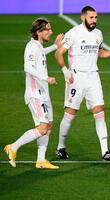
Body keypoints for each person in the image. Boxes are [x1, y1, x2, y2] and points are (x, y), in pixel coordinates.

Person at [55, 6, 110, 161]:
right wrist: (65, 71)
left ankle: (105, 151)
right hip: (76, 78)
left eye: (96, 17)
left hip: (93, 77)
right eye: (91, 17)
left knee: (99, 111)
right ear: (82, 17)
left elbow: (100, 54)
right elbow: (58, 53)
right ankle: (60, 147)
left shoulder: (98, 34)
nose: (94, 20)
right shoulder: (74, 33)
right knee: (70, 114)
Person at [4, 18, 63, 169]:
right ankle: (13, 147)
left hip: (43, 94)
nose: (51, 32)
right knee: (42, 128)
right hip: (35, 94)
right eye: (48, 29)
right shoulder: (31, 47)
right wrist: (46, 78)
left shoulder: (37, 46)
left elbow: (42, 52)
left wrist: (55, 46)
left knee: (48, 125)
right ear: (39, 32)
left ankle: (41, 160)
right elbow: (27, 67)